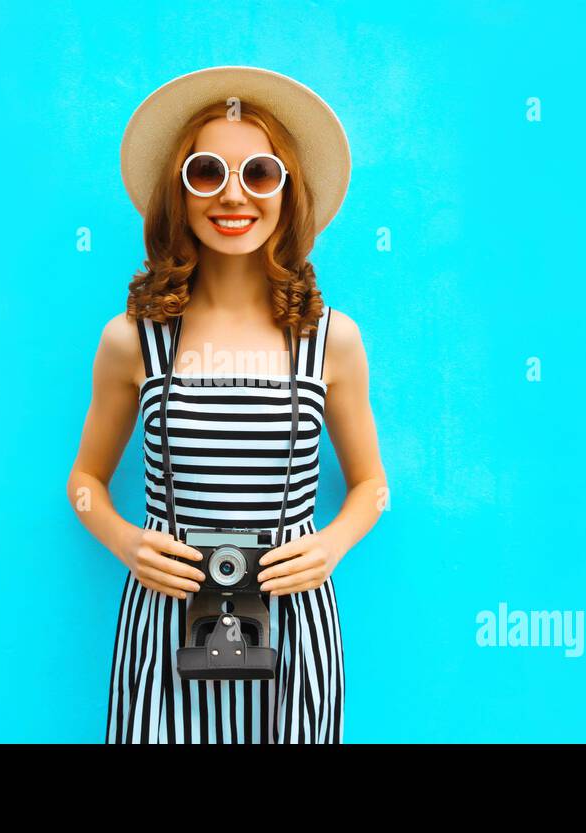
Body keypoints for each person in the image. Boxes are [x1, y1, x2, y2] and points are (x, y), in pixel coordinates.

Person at [67, 66, 386, 743]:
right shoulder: (132, 339)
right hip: (164, 625)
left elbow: (371, 486)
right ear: (178, 195)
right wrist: (128, 542)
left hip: (295, 627)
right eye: (207, 172)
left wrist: (330, 544)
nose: (233, 195)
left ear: (288, 190)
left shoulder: (332, 340)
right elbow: (84, 483)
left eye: (260, 174)